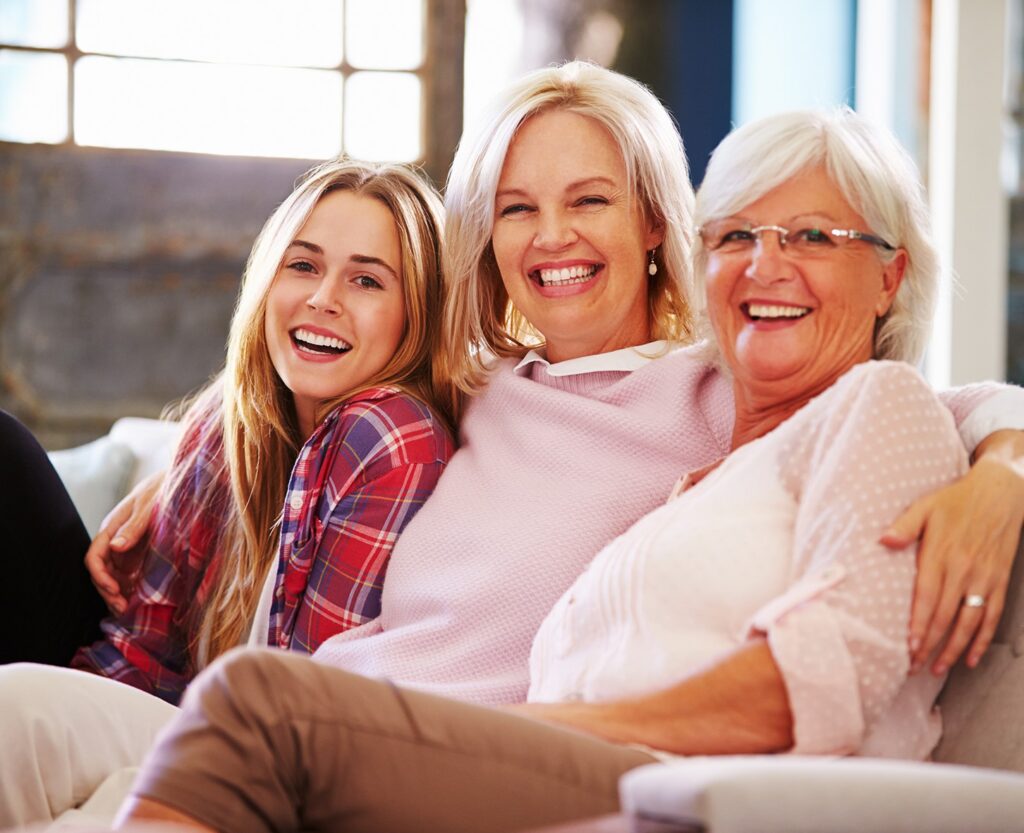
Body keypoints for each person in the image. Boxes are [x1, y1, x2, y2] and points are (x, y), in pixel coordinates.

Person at [8, 61, 1024, 826]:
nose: (553, 237)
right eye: (517, 209)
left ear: (655, 225)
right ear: (483, 237)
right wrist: (192, 445)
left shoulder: (723, 389)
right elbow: (314, 355)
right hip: (325, 702)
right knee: (19, 705)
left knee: (242, 710)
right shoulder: (473, 385)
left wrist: (1006, 460)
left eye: (588, 200)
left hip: (434, 747)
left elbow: (905, 398)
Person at [0, 159, 454, 824]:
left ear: (418, 311)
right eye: (302, 265)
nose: (323, 296)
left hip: (259, 749)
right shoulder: (230, 419)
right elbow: (143, 651)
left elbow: (301, 707)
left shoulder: (389, 437)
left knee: (18, 708)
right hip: (183, 707)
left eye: (365, 279)